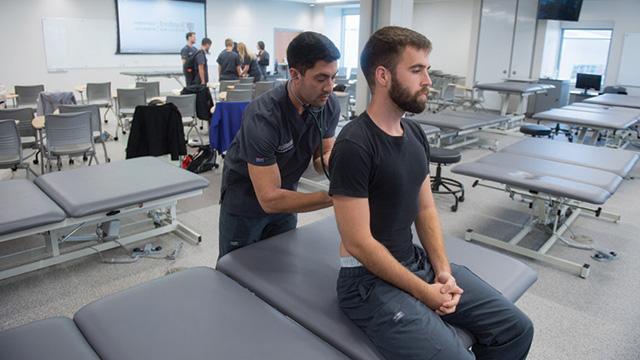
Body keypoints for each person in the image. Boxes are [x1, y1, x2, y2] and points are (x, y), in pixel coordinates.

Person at [329, 26, 534, 360]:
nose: (428, 80)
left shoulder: (414, 133)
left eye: (426, 69)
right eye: (416, 70)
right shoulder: (355, 143)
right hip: (365, 283)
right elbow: (358, 243)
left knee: (516, 329)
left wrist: (442, 271)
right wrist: (425, 293)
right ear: (383, 76)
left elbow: (424, 210)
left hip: (416, 263)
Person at [217, 32, 341, 259]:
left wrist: (344, 166)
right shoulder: (263, 116)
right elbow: (269, 198)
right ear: (294, 74)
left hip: (287, 198)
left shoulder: (328, 105)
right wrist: (338, 196)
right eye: (321, 78)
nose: (330, 87)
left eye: (334, 77)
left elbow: (322, 156)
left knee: (280, 265)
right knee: (235, 273)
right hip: (246, 204)